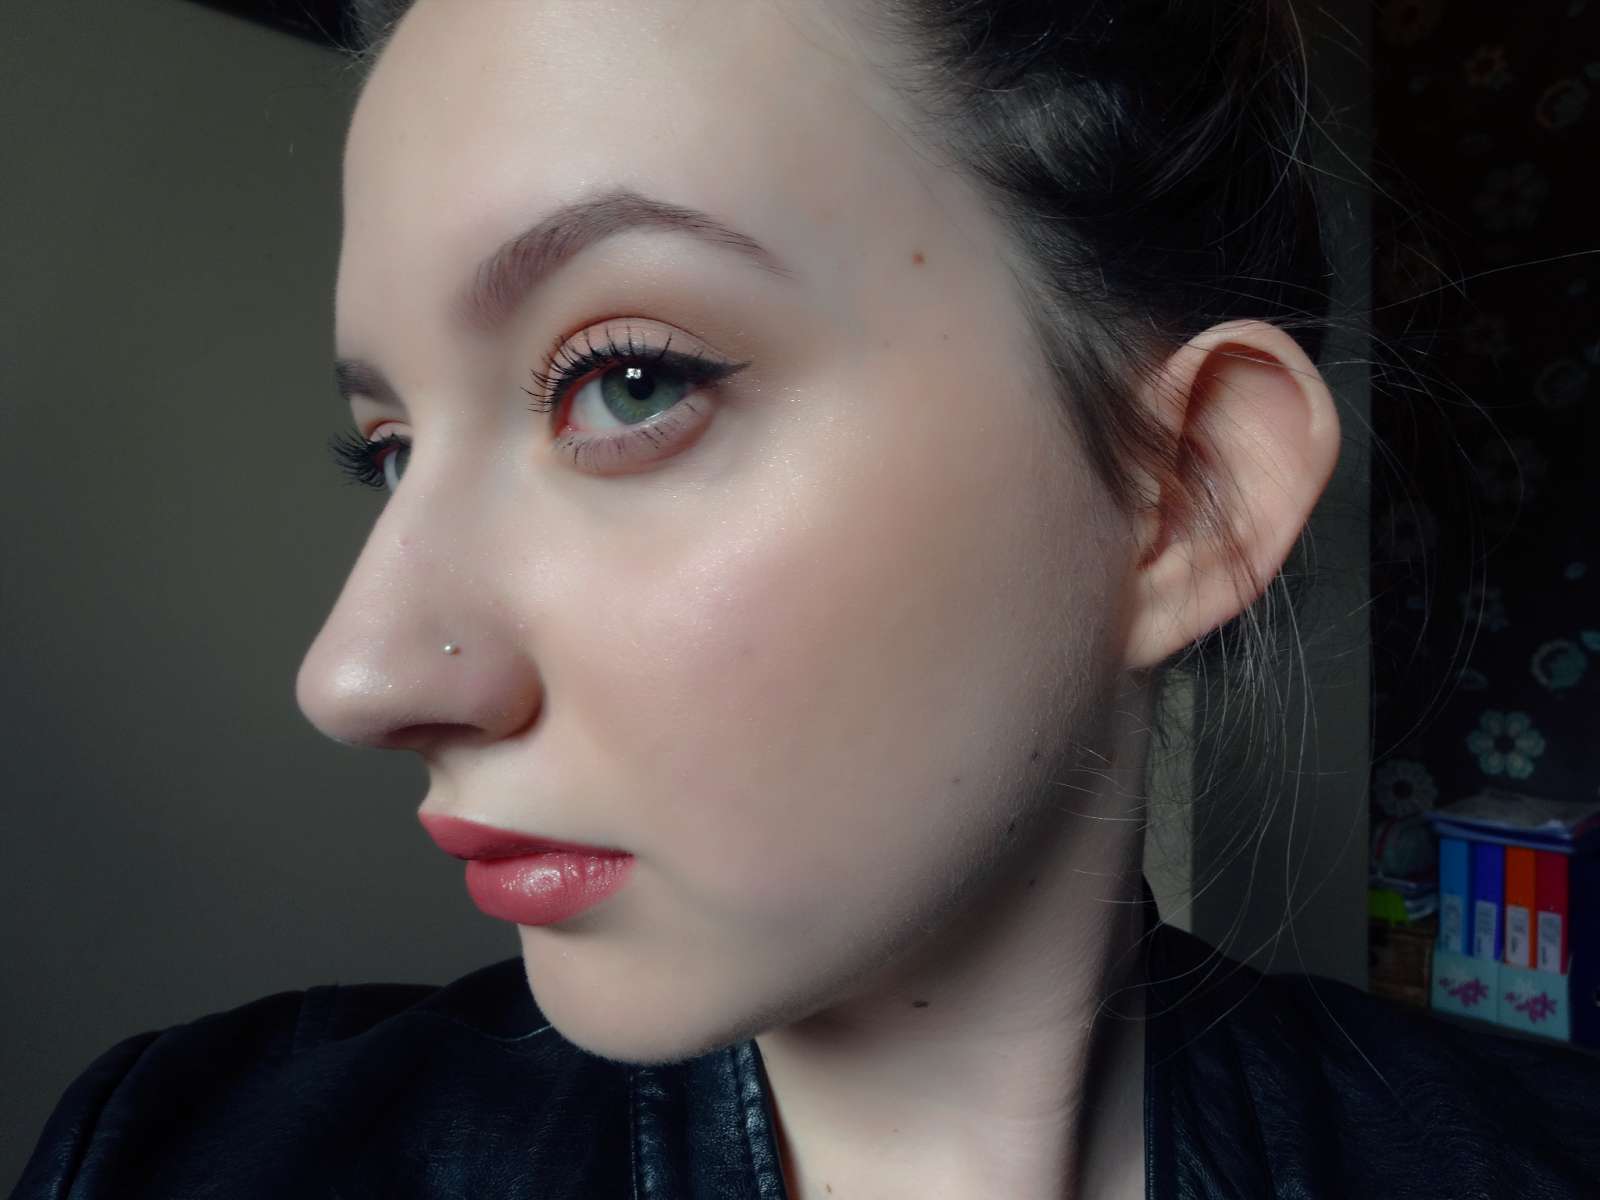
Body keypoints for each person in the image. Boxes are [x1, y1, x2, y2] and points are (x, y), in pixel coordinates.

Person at [13, 1, 1600, 1197]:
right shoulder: (177, 1155)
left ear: (1185, 493)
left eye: (629, 381)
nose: (357, 674)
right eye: (390, 451)